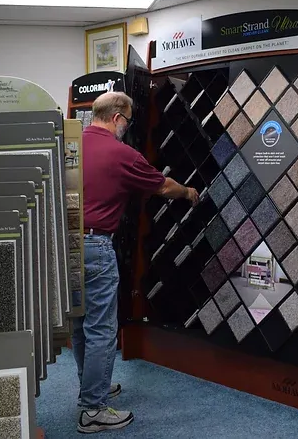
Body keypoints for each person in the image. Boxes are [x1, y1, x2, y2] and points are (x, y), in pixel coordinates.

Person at [75, 91, 199, 433]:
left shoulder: (68, 146)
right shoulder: (121, 153)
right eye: (127, 121)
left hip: (67, 245)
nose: (127, 128)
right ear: (117, 118)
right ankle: (93, 409)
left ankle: (91, 389)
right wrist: (188, 192)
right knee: (101, 328)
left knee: (80, 324)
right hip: (97, 245)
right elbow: (162, 186)